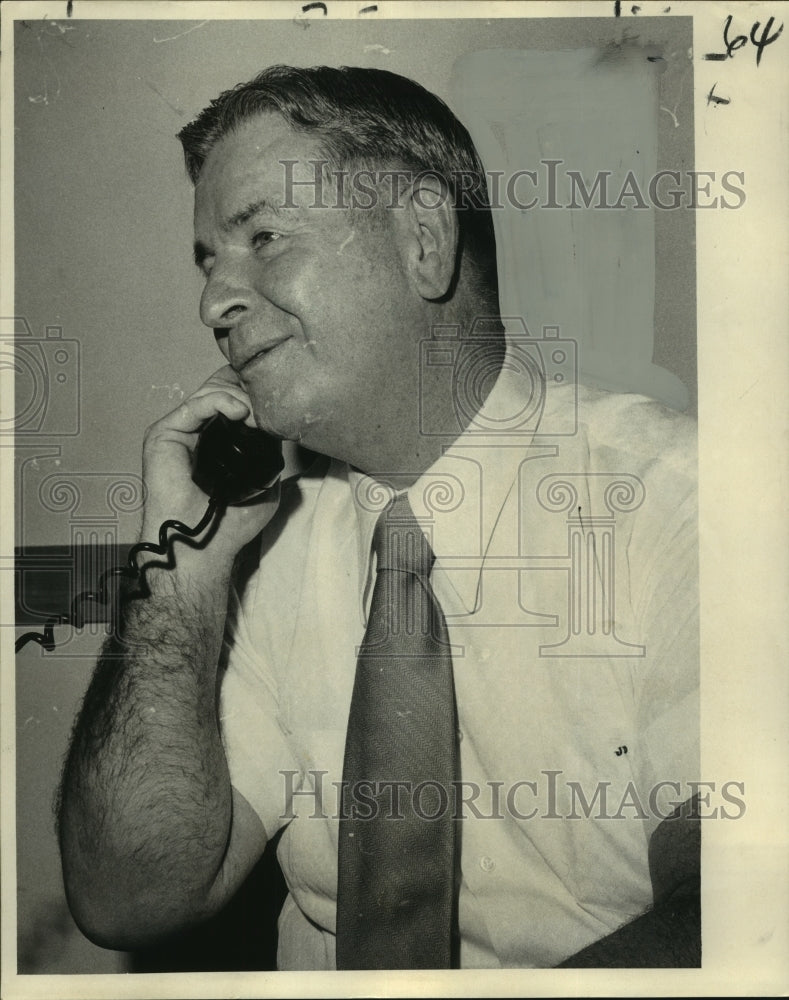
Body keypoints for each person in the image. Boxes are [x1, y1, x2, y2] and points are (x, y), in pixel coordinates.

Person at [57, 65, 700, 970]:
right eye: (208, 263)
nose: (213, 304)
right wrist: (180, 564)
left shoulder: (684, 498)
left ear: (424, 240)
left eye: (265, 237)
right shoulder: (256, 538)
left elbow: (739, 910)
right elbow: (130, 897)